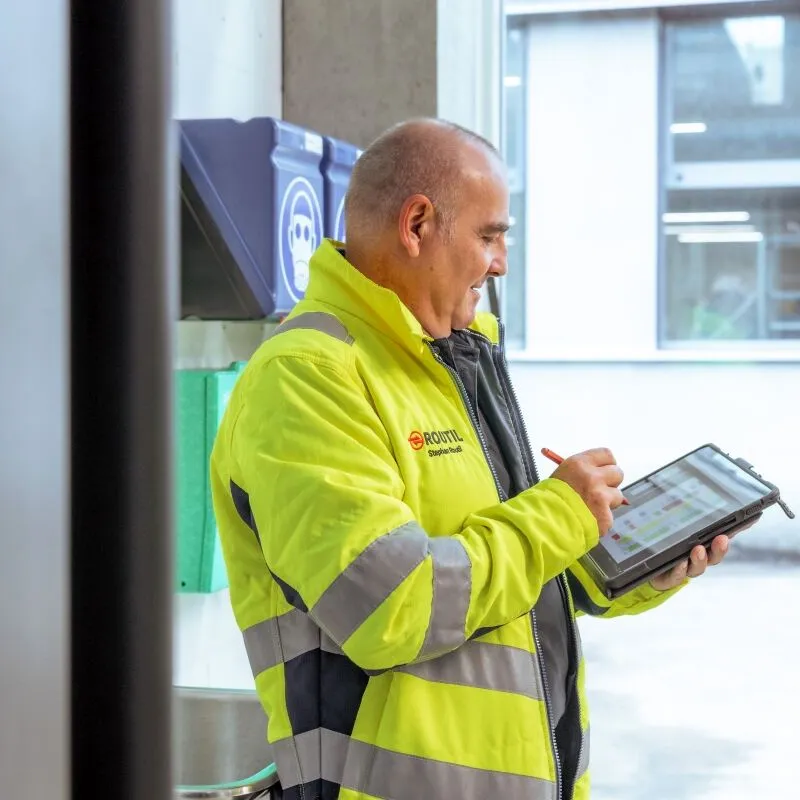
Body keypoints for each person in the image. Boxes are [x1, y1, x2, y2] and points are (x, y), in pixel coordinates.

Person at [210, 118, 731, 800]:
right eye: (491, 235)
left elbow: (498, 584)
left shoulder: (448, 360)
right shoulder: (308, 377)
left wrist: (627, 569)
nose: (501, 261)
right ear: (418, 223)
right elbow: (390, 606)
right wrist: (556, 512)